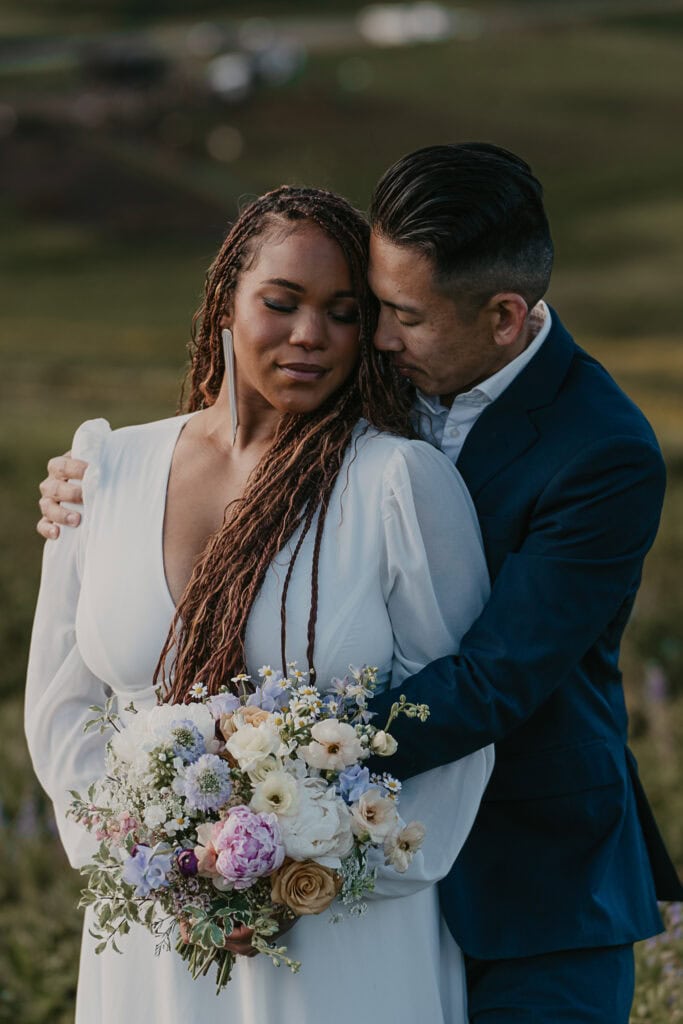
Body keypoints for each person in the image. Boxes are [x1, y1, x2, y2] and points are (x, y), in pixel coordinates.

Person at [39, 145, 683, 1023]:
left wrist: (257, 781)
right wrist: (100, 484)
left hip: (527, 886)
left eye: (396, 316)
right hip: (274, 886)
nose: (373, 337)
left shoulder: (598, 451)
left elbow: (489, 680)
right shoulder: (383, 383)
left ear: (501, 316)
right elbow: (249, 419)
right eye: (371, 307)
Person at [26, 185, 494, 1024]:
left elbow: (455, 719)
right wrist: (155, 868)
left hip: (344, 928)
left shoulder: (397, 483)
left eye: (343, 313)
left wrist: (313, 876)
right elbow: (62, 709)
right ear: (224, 304)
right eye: (281, 303)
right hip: (153, 932)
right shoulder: (106, 470)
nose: (310, 335)